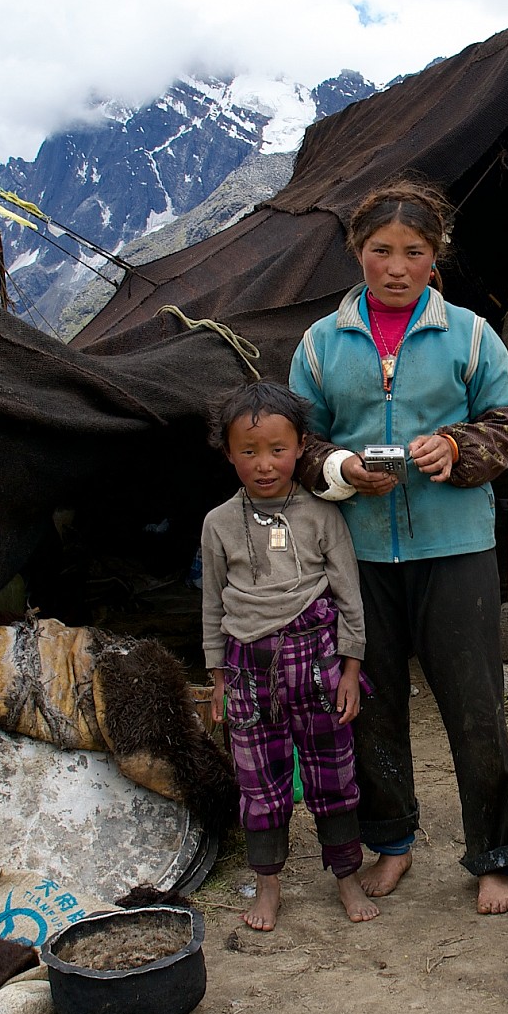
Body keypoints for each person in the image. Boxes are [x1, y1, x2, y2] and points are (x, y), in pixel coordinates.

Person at [289, 176, 508, 914]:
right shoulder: (323, 344)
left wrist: (456, 449)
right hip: (360, 555)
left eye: (413, 252)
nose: (395, 266)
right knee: (373, 703)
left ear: (437, 258)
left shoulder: (470, 335)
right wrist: (340, 469)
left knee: (475, 706)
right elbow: (298, 439)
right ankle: (391, 844)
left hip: (455, 550)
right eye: (380, 250)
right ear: (358, 252)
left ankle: (492, 857)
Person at [199, 382, 375, 932]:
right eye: (248, 452)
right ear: (228, 453)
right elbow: (211, 604)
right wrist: (218, 679)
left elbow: (348, 595)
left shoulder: (321, 515)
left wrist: (350, 668)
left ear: (301, 446)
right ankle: (268, 887)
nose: (265, 464)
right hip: (248, 668)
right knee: (259, 780)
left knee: (333, 771)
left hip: (317, 663)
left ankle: (346, 877)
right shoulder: (218, 524)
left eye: (278, 449)